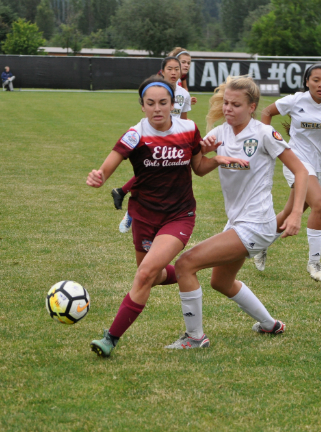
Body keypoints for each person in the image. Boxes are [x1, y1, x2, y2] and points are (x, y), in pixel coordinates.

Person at [86, 76, 248, 357]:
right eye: (150, 104)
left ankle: (110, 338)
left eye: (163, 103)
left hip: (179, 215)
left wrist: (217, 160)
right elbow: (109, 164)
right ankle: (189, 270)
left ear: (174, 104)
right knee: (153, 274)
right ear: (142, 106)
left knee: (146, 273)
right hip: (144, 216)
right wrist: (99, 176)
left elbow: (197, 166)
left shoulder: (188, 129)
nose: (157, 109)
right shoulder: (135, 135)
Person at [164, 76, 309, 349]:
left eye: (236, 105)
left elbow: (300, 171)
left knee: (185, 265)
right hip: (237, 222)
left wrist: (296, 214)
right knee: (221, 282)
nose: (229, 109)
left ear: (252, 107)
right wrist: (202, 153)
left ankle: (195, 338)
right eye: (226, 103)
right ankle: (271, 325)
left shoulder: (264, 133)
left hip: (257, 223)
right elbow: (200, 169)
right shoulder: (220, 133)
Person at [253, 64, 321, 282]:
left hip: (320, 165)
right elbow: (267, 112)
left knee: (290, 212)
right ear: (307, 82)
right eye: (316, 80)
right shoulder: (296, 100)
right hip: (296, 161)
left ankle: (259, 246)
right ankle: (314, 263)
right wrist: (267, 141)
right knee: (320, 203)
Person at [111, 57, 193, 231]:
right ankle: (132, 209)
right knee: (150, 175)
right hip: (155, 139)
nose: (173, 72)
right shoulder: (154, 90)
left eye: (177, 69)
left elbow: (185, 121)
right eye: (169, 68)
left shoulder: (184, 94)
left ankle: (124, 195)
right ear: (162, 71)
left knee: (161, 179)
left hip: (175, 143)